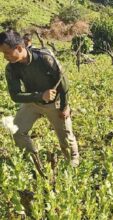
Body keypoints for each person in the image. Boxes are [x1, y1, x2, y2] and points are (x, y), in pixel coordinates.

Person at [0, 30, 80, 167]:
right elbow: (15, 95)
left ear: (19, 48)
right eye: (2, 54)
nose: (5, 57)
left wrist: (65, 107)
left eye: (7, 53)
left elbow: (63, 83)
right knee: (17, 132)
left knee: (66, 139)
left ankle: (73, 161)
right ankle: (33, 160)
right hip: (33, 102)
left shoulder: (44, 57)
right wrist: (40, 95)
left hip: (55, 102)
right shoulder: (11, 68)